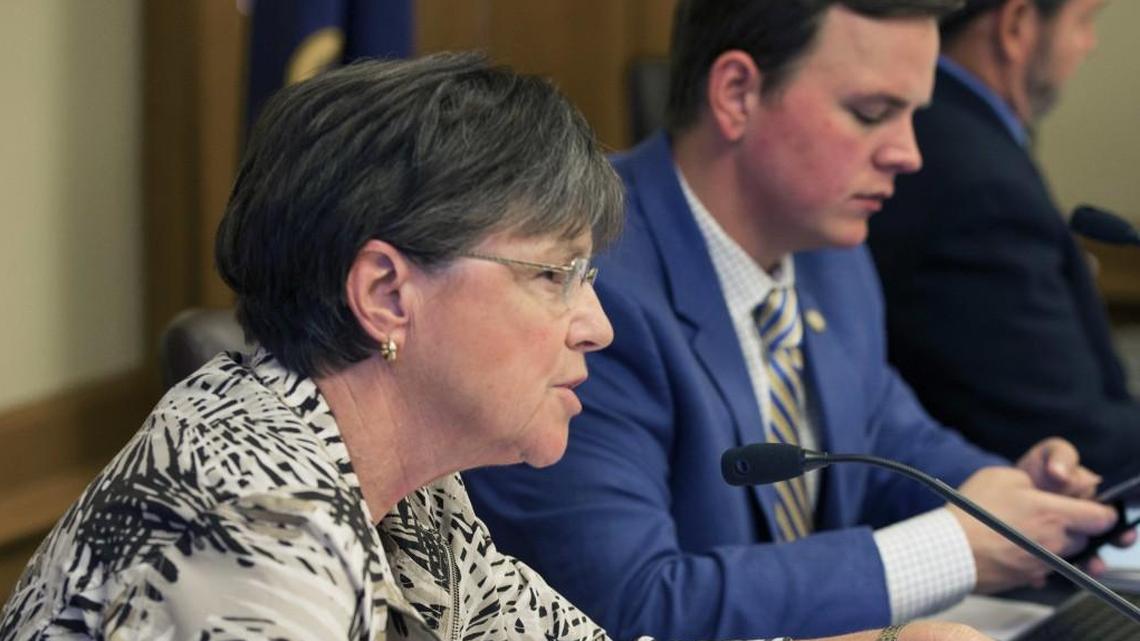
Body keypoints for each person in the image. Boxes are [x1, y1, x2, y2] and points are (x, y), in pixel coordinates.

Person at [0, 53, 987, 641]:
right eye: (554, 273)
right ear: (389, 291)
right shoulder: (247, 527)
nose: (596, 320)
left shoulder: (409, 472)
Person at [463, 2, 1124, 639]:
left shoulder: (831, 257)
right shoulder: (584, 285)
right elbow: (627, 607)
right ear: (736, 94)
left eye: (913, 115)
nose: (909, 153)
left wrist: (1010, 497)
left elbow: (890, 435)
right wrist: (951, 548)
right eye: (873, 112)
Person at [866, 0, 1138, 486]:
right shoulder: (970, 175)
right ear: (1015, 25)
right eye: (1084, 22)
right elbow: (1074, 434)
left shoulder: (967, 138)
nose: (1090, 46)